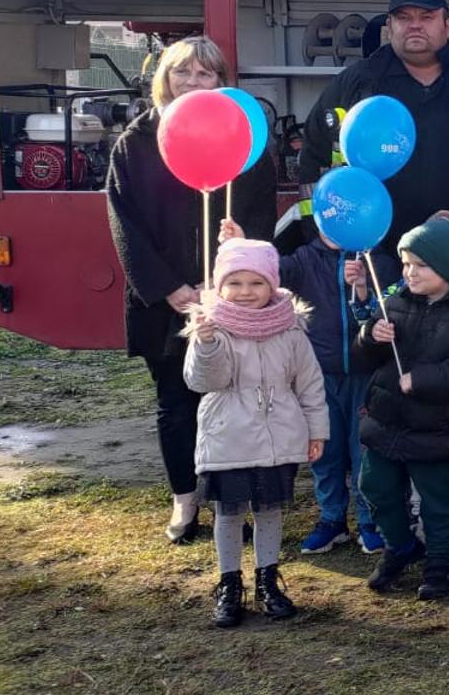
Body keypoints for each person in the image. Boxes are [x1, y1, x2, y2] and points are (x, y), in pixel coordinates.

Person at [106, 35, 278, 545]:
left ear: (222, 83)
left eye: (207, 75)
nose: (194, 83)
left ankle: (231, 499)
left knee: (233, 402)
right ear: (165, 77)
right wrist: (172, 289)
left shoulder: (245, 139)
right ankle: (185, 498)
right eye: (184, 73)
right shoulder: (136, 143)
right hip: (166, 302)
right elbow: (124, 224)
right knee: (176, 402)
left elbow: (259, 215)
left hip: (232, 296)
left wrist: (237, 262)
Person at [216, 215, 398, 557]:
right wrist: (238, 246)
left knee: (365, 450)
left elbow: (393, 299)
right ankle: (331, 519)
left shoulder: (380, 261)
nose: (337, 227)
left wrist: (364, 284)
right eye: (330, 219)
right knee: (323, 451)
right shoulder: (304, 258)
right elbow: (265, 273)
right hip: (318, 375)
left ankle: (369, 520)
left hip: (366, 372)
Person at [354, 215, 449, 601]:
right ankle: (401, 545)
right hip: (386, 419)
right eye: (406, 264)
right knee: (375, 486)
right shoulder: (395, 302)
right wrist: (370, 335)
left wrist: (423, 380)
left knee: (439, 500)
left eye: (420, 265)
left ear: (447, 266)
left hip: (438, 425)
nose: (410, 273)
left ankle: (440, 562)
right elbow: (363, 356)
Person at [300, 0, 449, 255]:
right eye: (403, 17)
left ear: (448, 25)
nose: (414, 25)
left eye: (427, 17)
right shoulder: (356, 86)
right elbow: (315, 158)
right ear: (389, 27)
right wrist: (321, 236)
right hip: (377, 253)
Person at [182, 239, 327, 627]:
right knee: (229, 513)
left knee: (269, 510)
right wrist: (207, 344)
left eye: (256, 283)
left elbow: (310, 384)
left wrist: (316, 430)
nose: (246, 293)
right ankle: (229, 584)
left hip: (278, 438)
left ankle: (268, 579)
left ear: (273, 285)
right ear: (220, 286)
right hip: (228, 436)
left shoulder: (291, 330)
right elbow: (203, 381)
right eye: (236, 283)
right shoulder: (212, 327)